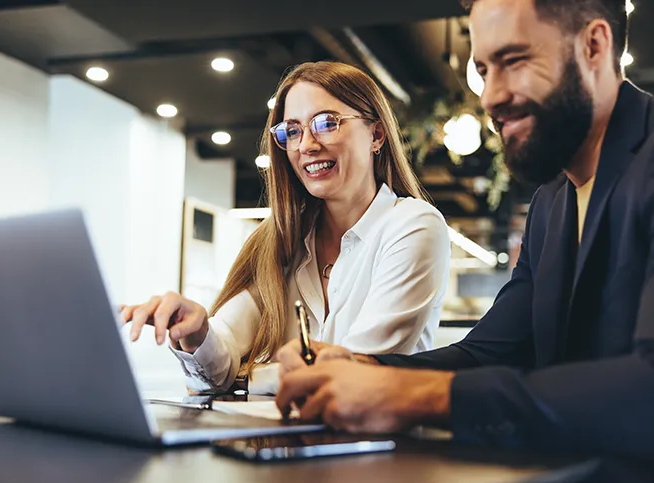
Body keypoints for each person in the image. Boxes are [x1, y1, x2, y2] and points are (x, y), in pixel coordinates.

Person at [275, 0, 654, 483]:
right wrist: (363, 368)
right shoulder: (552, 202)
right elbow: (489, 353)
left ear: (594, 45)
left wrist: (423, 395)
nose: (491, 96)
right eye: (483, 70)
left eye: (513, 62)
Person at [122, 61, 450, 395]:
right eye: (292, 131)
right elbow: (219, 360)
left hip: (383, 444)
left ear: (376, 135)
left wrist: (246, 379)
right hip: (288, 443)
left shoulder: (413, 225)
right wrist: (197, 332)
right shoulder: (282, 240)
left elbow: (355, 373)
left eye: (326, 123)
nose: (306, 144)